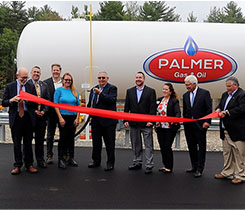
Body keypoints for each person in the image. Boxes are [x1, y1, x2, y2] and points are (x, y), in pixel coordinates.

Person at [2, 67, 38, 175]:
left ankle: (29, 164)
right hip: (16, 118)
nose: (24, 80)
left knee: (28, 142)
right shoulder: (10, 86)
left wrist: (28, 101)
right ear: (17, 76)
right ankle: (17, 165)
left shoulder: (30, 86)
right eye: (23, 78)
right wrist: (11, 100)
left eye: (26, 78)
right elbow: (4, 102)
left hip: (27, 118)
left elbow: (35, 103)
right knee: (17, 143)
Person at [124, 71, 156, 174]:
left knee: (148, 145)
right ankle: (137, 162)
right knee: (136, 144)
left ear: (144, 79)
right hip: (134, 123)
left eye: (140, 77)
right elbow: (126, 107)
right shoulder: (130, 91)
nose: (138, 79)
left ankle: (149, 165)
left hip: (146, 124)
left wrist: (151, 121)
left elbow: (152, 107)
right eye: (137, 77)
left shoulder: (151, 91)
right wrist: (125, 119)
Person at [214, 77, 245, 184]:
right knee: (227, 152)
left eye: (229, 86)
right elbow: (220, 105)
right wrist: (218, 109)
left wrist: (227, 112)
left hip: (237, 130)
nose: (227, 88)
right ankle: (227, 172)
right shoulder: (225, 95)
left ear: (235, 85)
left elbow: (242, 109)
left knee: (239, 153)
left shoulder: (242, 95)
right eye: (226, 86)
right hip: (225, 129)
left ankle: (240, 175)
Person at [87, 72, 118, 171]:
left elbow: (111, 100)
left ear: (107, 78)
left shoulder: (112, 88)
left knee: (109, 144)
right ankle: (96, 161)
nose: (101, 79)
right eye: (99, 78)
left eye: (103, 78)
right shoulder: (93, 89)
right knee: (96, 143)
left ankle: (110, 163)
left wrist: (100, 93)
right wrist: (90, 115)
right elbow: (90, 104)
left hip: (108, 122)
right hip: (96, 121)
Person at [183, 75, 212, 178]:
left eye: (188, 85)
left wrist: (207, 121)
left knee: (201, 147)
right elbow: (186, 111)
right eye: (186, 85)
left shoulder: (205, 93)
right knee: (191, 147)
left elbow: (209, 109)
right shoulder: (185, 95)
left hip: (201, 126)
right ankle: (194, 166)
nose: (187, 87)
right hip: (189, 126)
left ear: (194, 84)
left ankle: (200, 168)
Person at [54, 73, 80, 169]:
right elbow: (55, 105)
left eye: (69, 80)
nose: (68, 81)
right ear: (63, 80)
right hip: (63, 117)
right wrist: (60, 118)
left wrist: (77, 118)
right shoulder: (59, 91)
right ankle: (61, 158)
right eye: (66, 80)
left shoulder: (75, 91)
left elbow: (78, 106)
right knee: (63, 138)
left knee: (71, 138)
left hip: (73, 117)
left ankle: (71, 158)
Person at [27, 66, 50, 168]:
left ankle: (40, 160)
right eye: (34, 72)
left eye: (38, 72)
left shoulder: (44, 85)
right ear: (31, 73)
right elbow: (26, 101)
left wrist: (44, 111)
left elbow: (47, 100)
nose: (36, 74)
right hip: (30, 117)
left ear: (40, 74)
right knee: (28, 140)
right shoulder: (26, 85)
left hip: (41, 117)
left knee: (40, 140)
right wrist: (34, 111)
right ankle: (29, 162)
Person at [155, 83, 181, 173]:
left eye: (166, 89)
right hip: (160, 127)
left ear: (170, 91)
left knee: (167, 146)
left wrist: (176, 120)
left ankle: (169, 166)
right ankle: (165, 165)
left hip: (170, 127)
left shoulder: (174, 101)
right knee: (162, 146)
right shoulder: (159, 100)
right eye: (163, 89)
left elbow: (178, 112)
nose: (164, 91)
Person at [44, 64, 62, 164]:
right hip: (51, 114)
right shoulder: (46, 83)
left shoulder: (65, 82)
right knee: (50, 135)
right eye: (54, 70)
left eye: (57, 70)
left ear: (60, 71)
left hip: (63, 113)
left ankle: (63, 154)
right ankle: (49, 155)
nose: (55, 72)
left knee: (63, 135)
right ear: (51, 71)